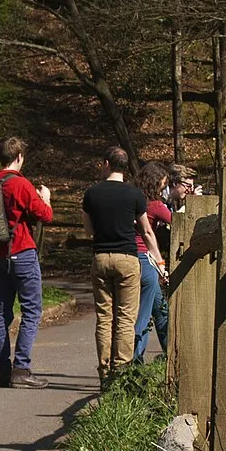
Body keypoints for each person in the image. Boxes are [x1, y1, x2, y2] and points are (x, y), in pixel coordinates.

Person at [80, 146, 157, 384]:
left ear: (106, 164)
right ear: (124, 167)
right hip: (127, 259)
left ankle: (104, 373)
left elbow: (88, 229)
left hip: (101, 258)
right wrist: (159, 259)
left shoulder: (92, 194)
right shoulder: (135, 195)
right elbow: (145, 230)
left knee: (104, 318)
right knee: (125, 319)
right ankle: (120, 375)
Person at [0, 135, 54, 388]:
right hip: (22, 251)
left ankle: (3, 370)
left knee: (1, 311)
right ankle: (22, 368)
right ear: (19, 157)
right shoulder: (20, 184)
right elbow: (45, 215)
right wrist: (45, 197)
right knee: (31, 310)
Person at [132, 161, 175, 361]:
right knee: (144, 314)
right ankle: (136, 361)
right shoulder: (155, 206)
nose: (163, 189)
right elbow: (176, 220)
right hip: (145, 259)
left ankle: (172, 354)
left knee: (160, 308)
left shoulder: (135, 200)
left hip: (131, 257)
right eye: (163, 185)